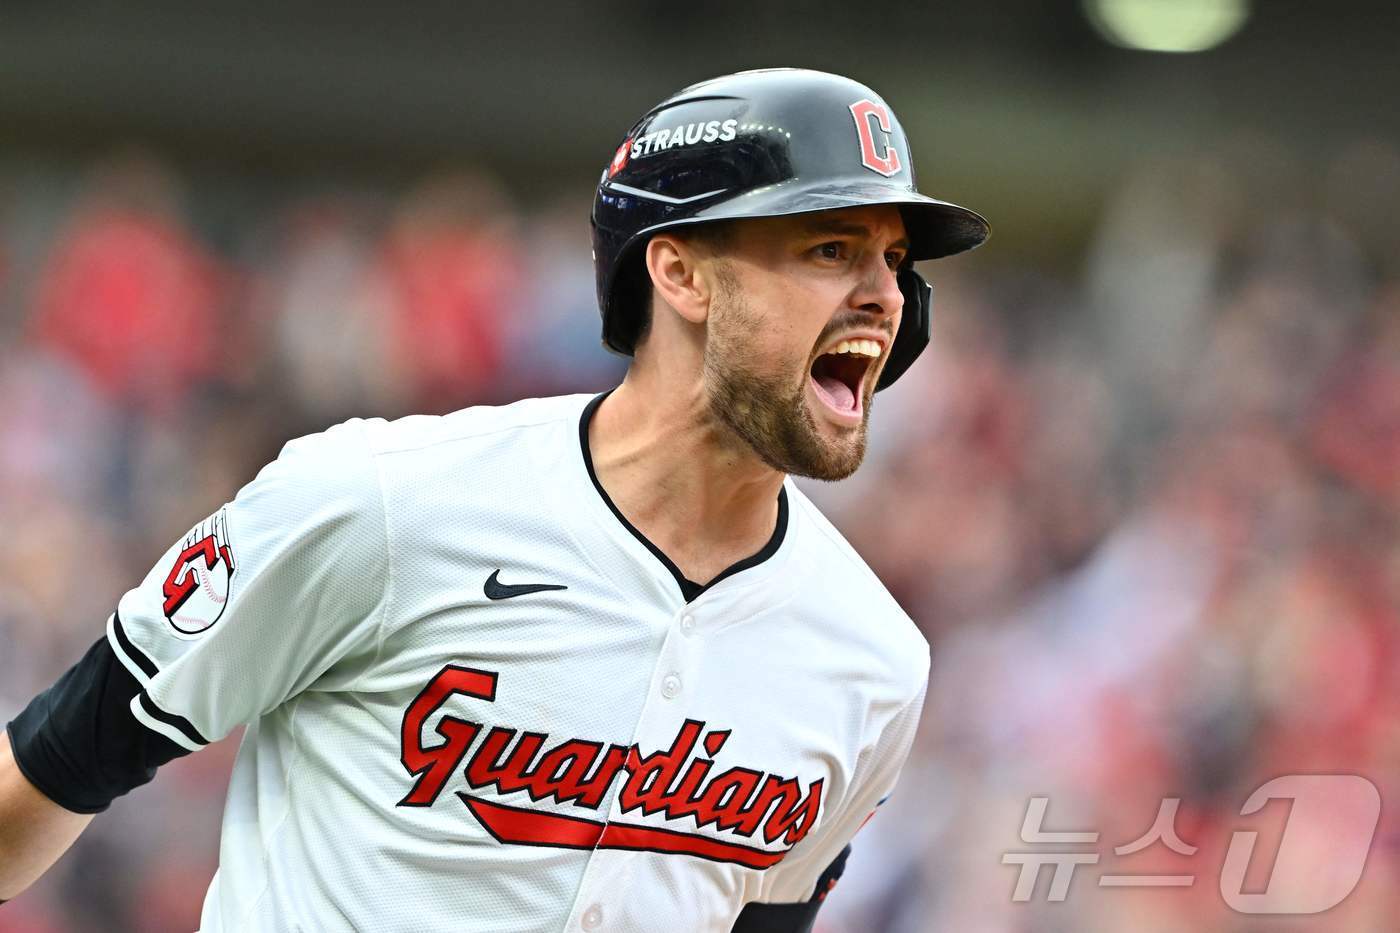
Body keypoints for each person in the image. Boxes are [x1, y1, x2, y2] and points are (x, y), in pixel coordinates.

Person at [0, 68, 988, 932]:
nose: (884, 296)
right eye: (829, 250)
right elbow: (53, 765)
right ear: (680, 271)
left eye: (894, 261)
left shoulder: (873, 661)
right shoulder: (381, 503)